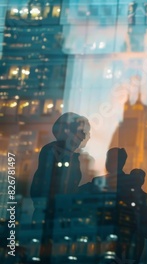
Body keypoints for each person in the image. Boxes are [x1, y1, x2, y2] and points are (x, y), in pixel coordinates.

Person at [30, 112, 90, 263]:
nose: (84, 137)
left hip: (62, 218)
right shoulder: (52, 152)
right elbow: (47, 187)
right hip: (49, 217)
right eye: (81, 131)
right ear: (67, 131)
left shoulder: (74, 159)